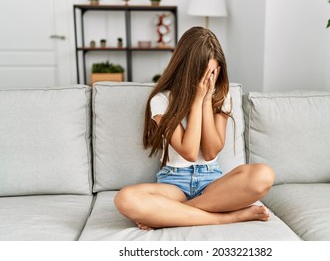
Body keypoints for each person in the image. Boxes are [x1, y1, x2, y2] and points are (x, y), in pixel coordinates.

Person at [114, 26, 274, 230]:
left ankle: (172, 214)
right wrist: (197, 100)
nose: (210, 81)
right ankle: (228, 217)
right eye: (205, 75)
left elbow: (210, 152)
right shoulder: (162, 100)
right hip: (174, 183)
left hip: (212, 183)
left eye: (214, 73)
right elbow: (189, 152)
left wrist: (207, 101)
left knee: (263, 174)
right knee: (125, 198)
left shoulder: (220, 97)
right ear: (187, 69)